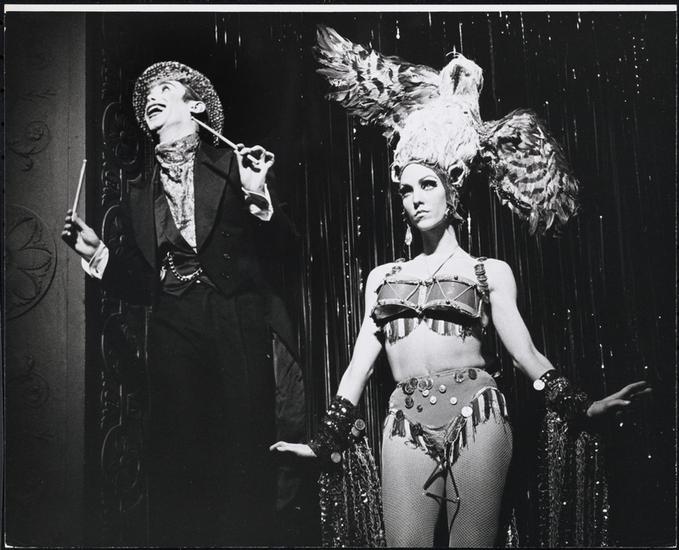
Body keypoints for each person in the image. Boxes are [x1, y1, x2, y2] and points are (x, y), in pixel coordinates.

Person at [270, 27, 651, 548]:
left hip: (478, 413)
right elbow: (358, 366)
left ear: (452, 190)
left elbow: (527, 356)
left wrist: (583, 408)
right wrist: (324, 440)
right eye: (405, 189)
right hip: (404, 420)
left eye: (427, 184)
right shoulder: (383, 278)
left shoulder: (488, 272)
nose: (415, 198)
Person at [62, 61, 300, 546]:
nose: (151, 95)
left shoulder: (236, 164)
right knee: (179, 455)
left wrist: (259, 197)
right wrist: (98, 254)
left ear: (196, 106)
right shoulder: (138, 189)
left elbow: (287, 253)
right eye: (148, 92)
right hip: (172, 320)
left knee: (243, 450)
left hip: (235, 316)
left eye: (165, 88)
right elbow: (143, 283)